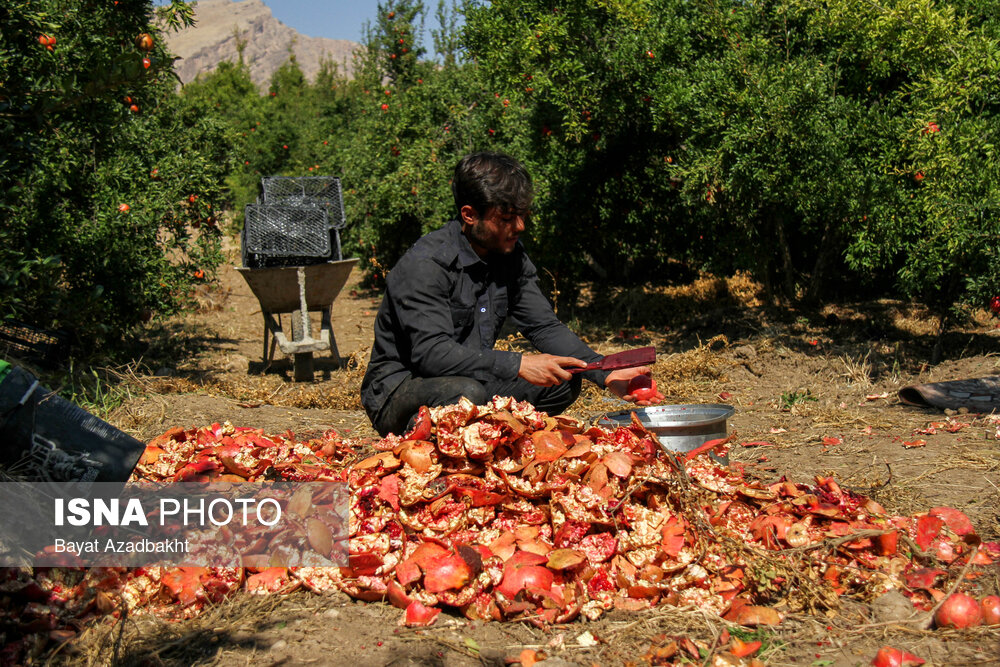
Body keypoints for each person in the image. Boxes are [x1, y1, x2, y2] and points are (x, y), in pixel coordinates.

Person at [360, 151, 663, 436]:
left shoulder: (508, 255)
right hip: (401, 391)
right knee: (467, 394)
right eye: (505, 219)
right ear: (469, 214)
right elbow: (431, 355)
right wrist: (519, 364)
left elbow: (543, 325)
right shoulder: (426, 266)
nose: (519, 226)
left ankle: (485, 437)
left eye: (522, 215)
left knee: (562, 383)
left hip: (470, 382)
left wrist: (605, 373)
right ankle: (426, 442)